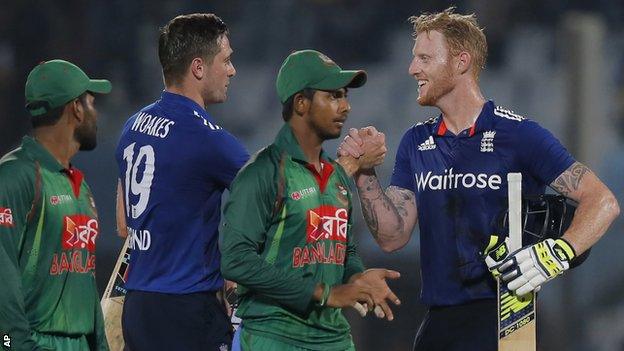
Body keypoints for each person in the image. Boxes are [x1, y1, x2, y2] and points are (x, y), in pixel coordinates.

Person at [338, 7, 620, 351]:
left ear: (461, 61)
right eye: (414, 59)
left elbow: (603, 202)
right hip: (439, 320)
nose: (413, 69)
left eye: (425, 58)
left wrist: (558, 252)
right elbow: (393, 237)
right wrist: (365, 173)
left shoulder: (519, 135)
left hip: (508, 316)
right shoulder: (416, 141)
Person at [219, 49, 401, 351]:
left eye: (344, 96)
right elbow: (235, 260)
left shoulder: (337, 177)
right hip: (273, 336)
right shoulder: (262, 172)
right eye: (332, 96)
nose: (345, 106)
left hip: (333, 339)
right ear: (301, 103)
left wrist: (357, 277)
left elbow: (345, 249)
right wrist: (325, 293)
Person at [114, 13, 249, 351]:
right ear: (199, 68)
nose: (232, 70)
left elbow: (122, 224)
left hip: (138, 307)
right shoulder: (207, 138)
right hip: (186, 312)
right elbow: (274, 195)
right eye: (227, 60)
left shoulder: (132, 125)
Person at [0, 59, 111, 350]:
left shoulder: (77, 183)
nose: (96, 114)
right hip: (32, 343)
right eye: (91, 102)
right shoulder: (15, 176)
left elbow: (83, 278)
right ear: (75, 108)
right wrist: (13, 344)